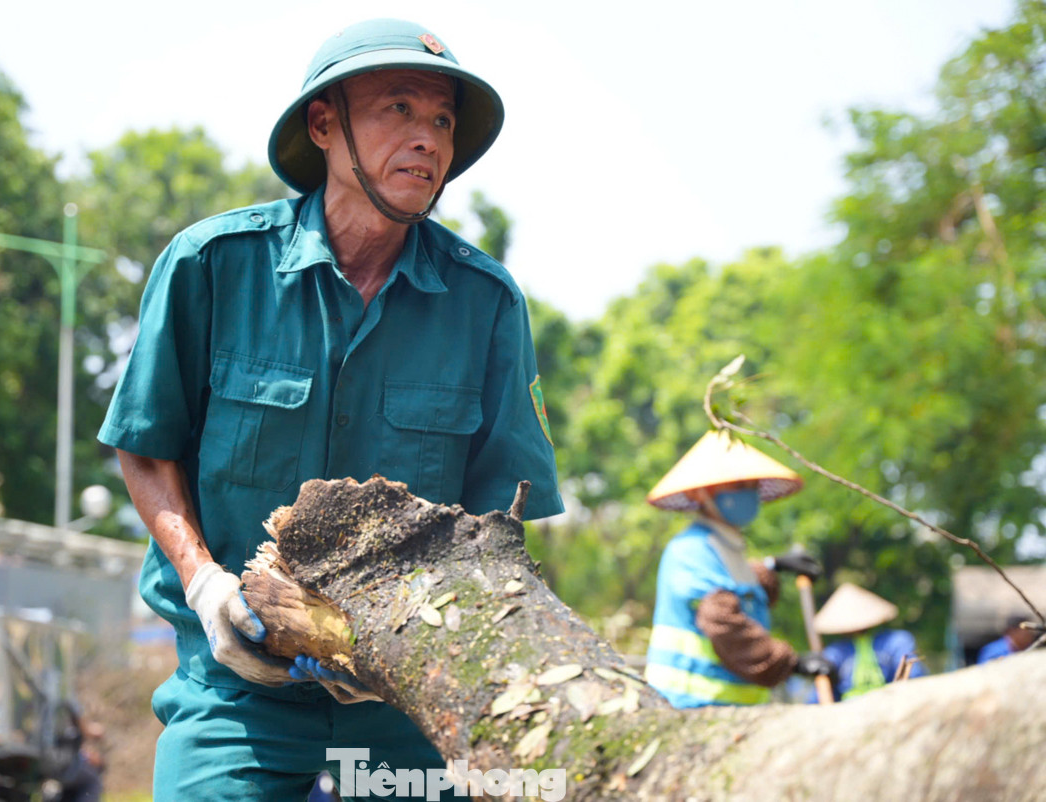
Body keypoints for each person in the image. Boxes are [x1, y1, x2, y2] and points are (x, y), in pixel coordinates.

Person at [98, 18, 563, 801]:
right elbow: (146, 446)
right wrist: (204, 584)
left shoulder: (485, 303)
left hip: (408, 708)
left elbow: (499, 524)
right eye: (399, 109)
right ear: (324, 124)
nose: (427, 139)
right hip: (236, 691)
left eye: (443, 120)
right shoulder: (212, 266)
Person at [644, 430, 834, 708]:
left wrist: (774, 565)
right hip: (690, 703)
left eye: (751, 484)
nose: (747, 492)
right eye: (736, 485)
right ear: (700, 492)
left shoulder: (726, 546)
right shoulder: (690, 549)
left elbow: (741, 586)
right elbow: (722, 621)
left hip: (733, 707)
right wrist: (791, 663)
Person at [809, 582, 926, 701]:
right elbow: (818, 697)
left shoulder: (896, 641)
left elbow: (914, 680)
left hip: (892, 705)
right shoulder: (834, 653)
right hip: (852, 709)